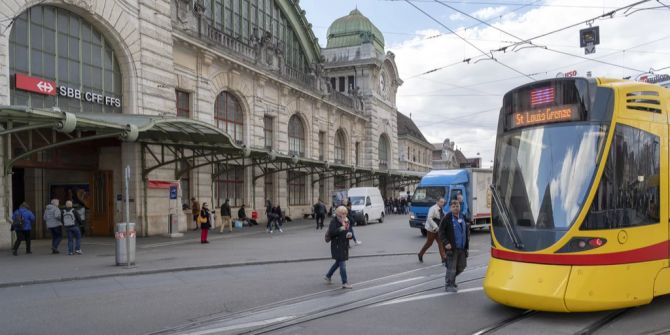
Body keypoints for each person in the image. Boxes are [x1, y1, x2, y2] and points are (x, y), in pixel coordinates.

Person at [439, 199, 470, 293]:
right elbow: (441, 232)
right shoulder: (447, 217)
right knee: (451, 268)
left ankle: (451, 279)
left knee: (462, 266)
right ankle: (449, 284)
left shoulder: (462, 216)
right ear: (450, 208)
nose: (456, 208)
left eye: (457, 206)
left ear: (460, 207)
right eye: (453, 206)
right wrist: (446, 243)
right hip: (452, 248)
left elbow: (466, 230)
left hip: (462, 247)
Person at [324, 206, 353, 289]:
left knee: (338, 263)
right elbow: (332, 233)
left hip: (344, 244)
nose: (343, 215)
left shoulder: (347, 221)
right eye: (342, 213)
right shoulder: (334, 221)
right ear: (338, 213)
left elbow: (349, 231)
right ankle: (345, 282)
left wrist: (349, 235)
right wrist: (341, 228)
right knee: (342, 264)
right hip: (337, 245)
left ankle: (328, 275)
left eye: (345, 213)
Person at [418, 197, 447, 263]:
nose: (442, 203)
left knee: (441, 243)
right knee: (429, 243)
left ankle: (443, 258)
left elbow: (442, 216)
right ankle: (420, 254)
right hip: (432, 229)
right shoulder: (432, 208)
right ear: (437, 202)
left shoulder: (441, 209)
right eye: (441, 202)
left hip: (438, 229)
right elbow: (429, 218)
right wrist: (436, 227)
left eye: (443, 202)